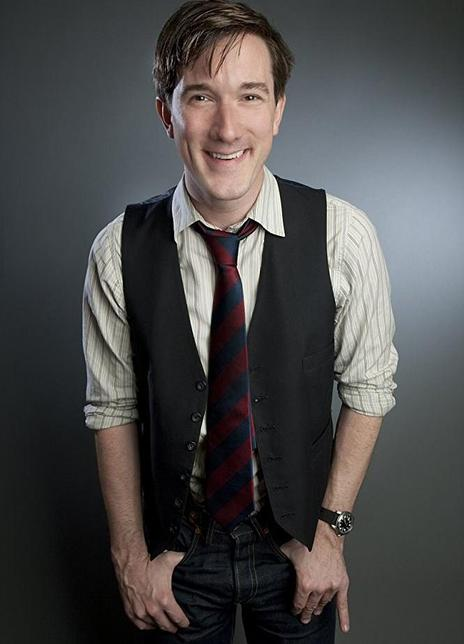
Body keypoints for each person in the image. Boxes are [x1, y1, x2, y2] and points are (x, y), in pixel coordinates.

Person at [81, 1, 399, 642]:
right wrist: (130, 558)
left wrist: (330, 536)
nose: (227, 128)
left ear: (277, 110)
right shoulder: (117, 250)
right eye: (201, 96)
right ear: (166, 112)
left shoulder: (344, 237)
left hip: (297, 550)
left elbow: (368, 390)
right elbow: (112, 408)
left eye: (250, 95)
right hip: (177, 554)